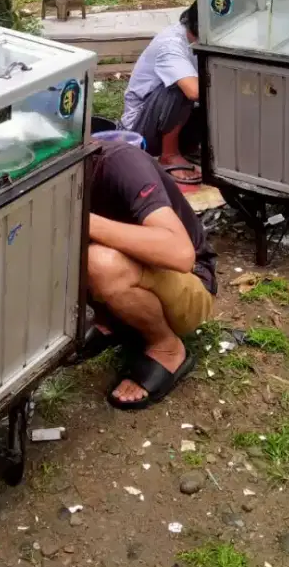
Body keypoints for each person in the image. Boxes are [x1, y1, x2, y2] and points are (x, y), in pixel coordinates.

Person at [86, 139, 217, 410]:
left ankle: (166, 346)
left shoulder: (120, 162)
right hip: (131, 273)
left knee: (100, 263)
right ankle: (109, 321)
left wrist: (82, 221)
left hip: (187, 284)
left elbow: (179, 253)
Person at [120, 1, 201, 182]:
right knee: (182, 88)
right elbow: (193, 92)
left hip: (170, 121)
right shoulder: (171, 45)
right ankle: (169, 155)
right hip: (140, 130)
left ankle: (189, 148)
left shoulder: (197, 42)